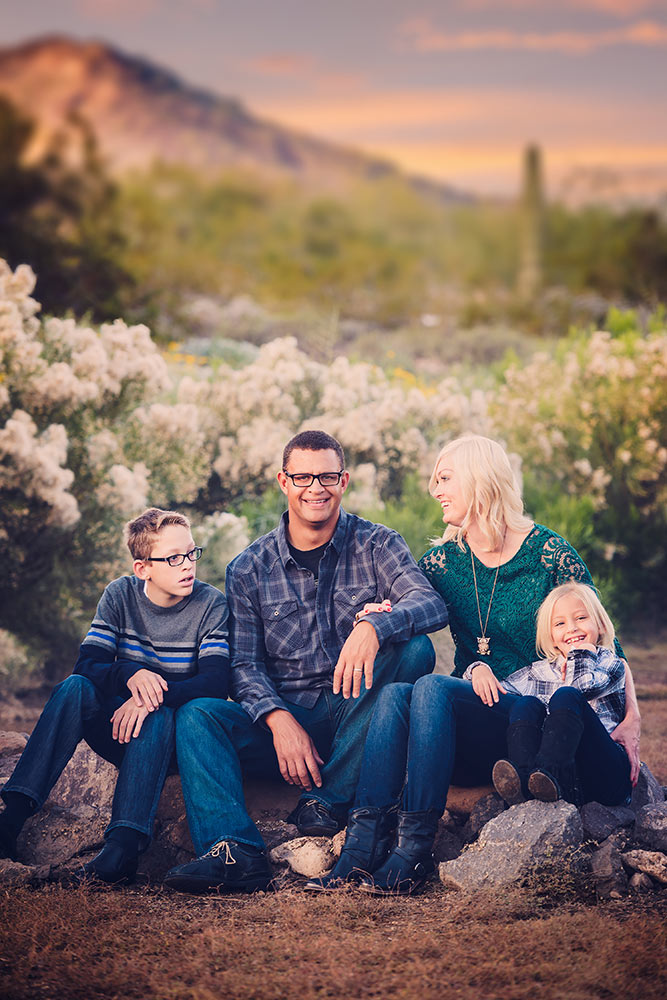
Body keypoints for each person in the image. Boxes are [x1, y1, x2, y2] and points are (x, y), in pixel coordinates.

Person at [307, 434, 640, 896]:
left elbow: (608, 641)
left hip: (536, 720)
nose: (434, 489)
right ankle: (360, 849)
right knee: (396, 695)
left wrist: (632, 718)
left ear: (479, 479)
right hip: (479, 719)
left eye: (445, 478)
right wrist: (381, 618)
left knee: (432, 688)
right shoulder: (443, 561)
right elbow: (414, 600)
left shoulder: (549, 555)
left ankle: (413, 851)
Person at [164, 430, 448, 895]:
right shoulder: (248, 568)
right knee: (198, 716)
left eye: (327, 476)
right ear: (283, 481)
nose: (315, 487)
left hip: (358, 713)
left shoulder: (377, 544)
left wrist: (376, 627)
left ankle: (328, 800)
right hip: (285, 724)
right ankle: (234, 852)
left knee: (415, 649)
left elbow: (430, 604)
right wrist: (277, 720)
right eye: (303, 476)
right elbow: (244, 666)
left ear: (344, 481)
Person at [0, 508, 229, 884]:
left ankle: (122, 848)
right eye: (173, 558)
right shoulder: (119, 595)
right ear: (143, 569)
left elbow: (216, 683)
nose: (188, 565)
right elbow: (87, 664)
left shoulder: (210, 604)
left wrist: (151, 693)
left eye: (191, 553)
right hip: (121, 733)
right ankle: (11, 820)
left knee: (157, 713)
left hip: (172, 739)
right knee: (74, 688)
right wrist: (131, 673)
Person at [484, 582, 631, 808]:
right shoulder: (540, 672)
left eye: (581, 618)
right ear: (552, 637)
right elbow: (500, 693)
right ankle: (524, 782)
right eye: (560, 623)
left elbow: (581, 688)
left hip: (607, 776)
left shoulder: (611, 663)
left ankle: (547, 773)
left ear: (600, 624)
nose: (571, 628)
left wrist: (581, 654)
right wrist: (477, 669)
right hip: (570, 781)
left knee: (566, 696)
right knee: (525, 704)